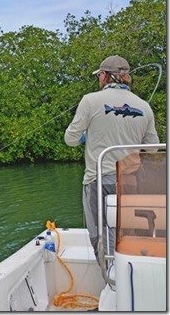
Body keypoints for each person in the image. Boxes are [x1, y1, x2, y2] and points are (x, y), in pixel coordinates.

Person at [64, 55, 159, 260]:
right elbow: (152, 149)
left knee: (100, 234)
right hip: (131, 181)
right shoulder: (144, 106)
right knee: (127, 232)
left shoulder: (90, 100)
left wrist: (85, 136)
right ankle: (128, 275)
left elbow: (70, 139)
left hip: (98, 180)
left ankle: (110, 278)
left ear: (106, 76)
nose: (99, 79)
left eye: (99, 75)